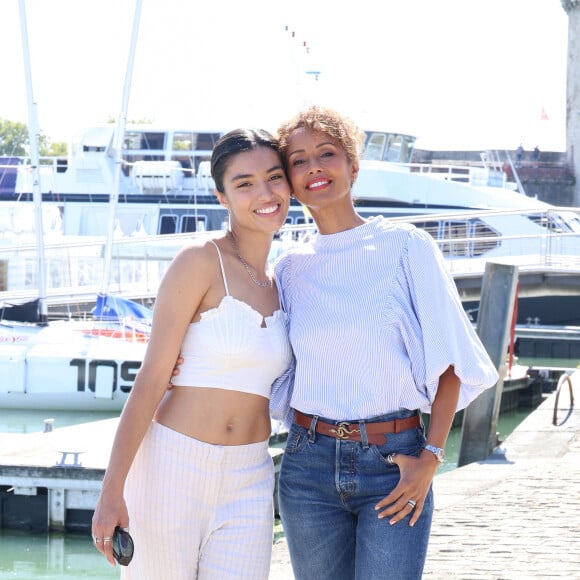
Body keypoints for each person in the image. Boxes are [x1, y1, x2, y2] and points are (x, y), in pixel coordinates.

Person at [269, 105, 499, 580]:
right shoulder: (290, 269)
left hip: (394, 462)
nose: (314, 166)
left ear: (353, 164)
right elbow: (265, 363)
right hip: (307, 465)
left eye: (327, 153)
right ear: (289, 180)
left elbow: (450, 363)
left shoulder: (405, 246)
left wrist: (430, 460)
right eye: (299, 160)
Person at [91, 128, 293, 579]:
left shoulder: (286, 281)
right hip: (171, 467)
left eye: (274, 177)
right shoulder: (200, 260)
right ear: (222, 197)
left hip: (251, 473)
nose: (265, 192)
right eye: (244, 183)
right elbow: (151, 378)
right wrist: (111, 490)